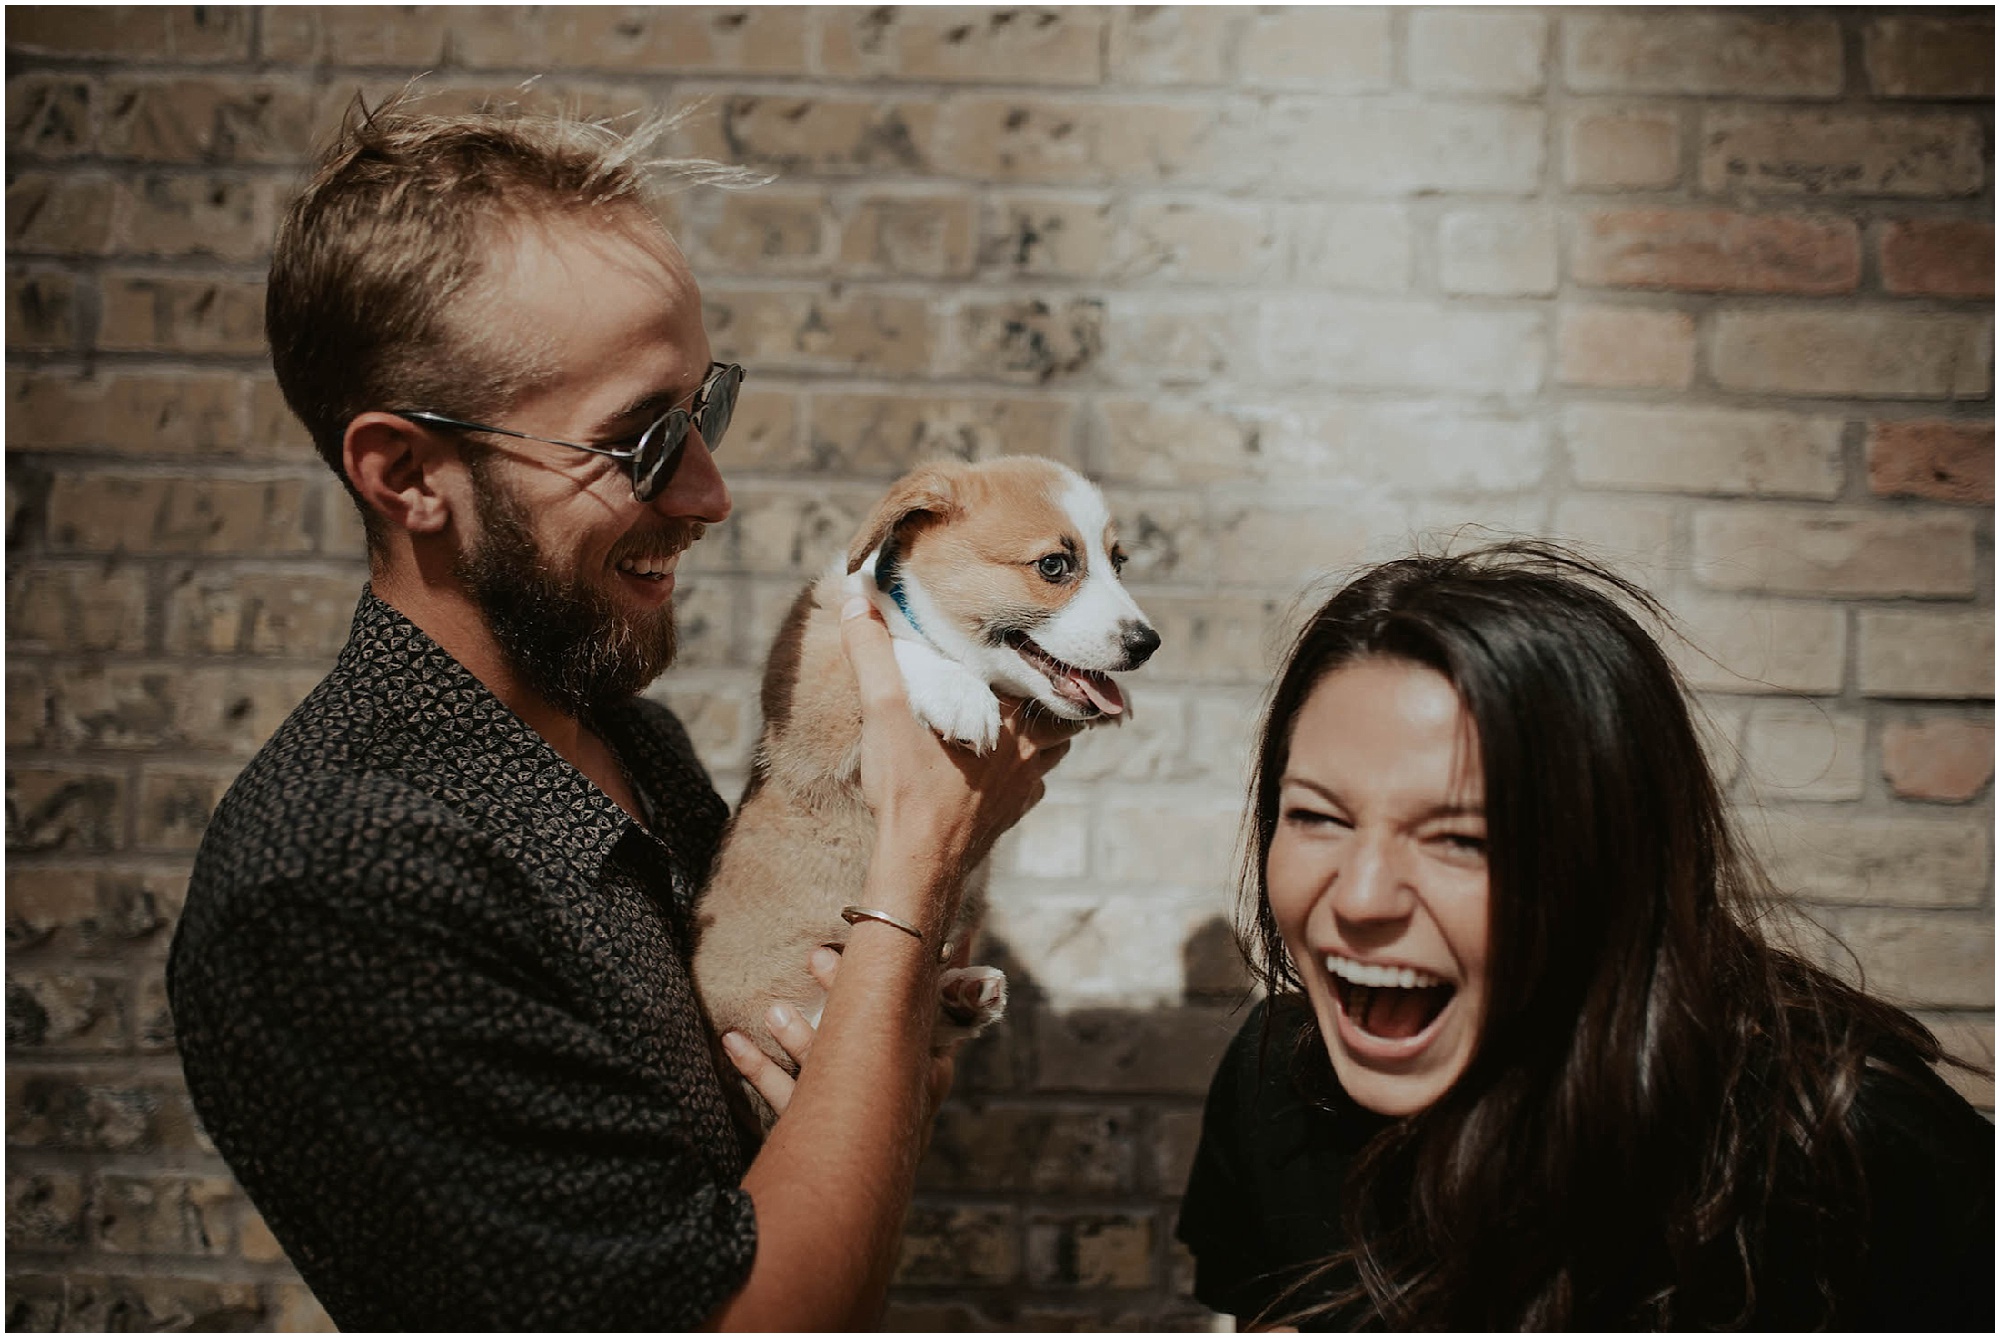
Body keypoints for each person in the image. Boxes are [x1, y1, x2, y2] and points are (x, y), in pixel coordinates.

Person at [166, 95, 1069, 1330]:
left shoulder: (625, 737)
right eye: (640, 441)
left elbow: (807, 1133)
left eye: (705, 409)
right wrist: (922, 860)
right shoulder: (335, 879)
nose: (708, 492)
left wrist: (864, 1055)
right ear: (407, 473)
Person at [1176, 542, 1994, 1331]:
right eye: (1318, 817)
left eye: (1463, 838)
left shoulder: (1846, 1154)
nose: (1360, 898)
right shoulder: (1277, 1086)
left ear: (1617, 858)